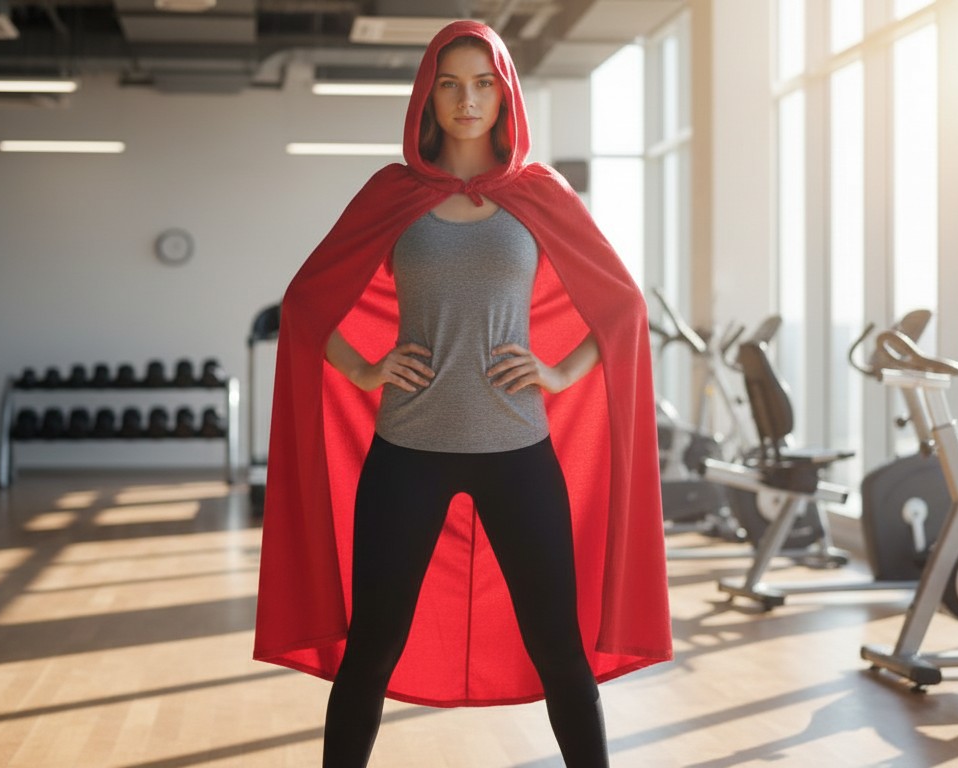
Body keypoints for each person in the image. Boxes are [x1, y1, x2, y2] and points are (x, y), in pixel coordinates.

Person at [253, 20, 672, 768]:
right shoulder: (393, 194)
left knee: (559, 652)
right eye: (449, 84)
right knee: (371, 651)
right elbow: (305, 305)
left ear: (505, 95)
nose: (466, 99)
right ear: (428, 95)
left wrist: (558, 373)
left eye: (482, 83)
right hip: (406, 453)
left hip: (519, 451)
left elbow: (622, 308)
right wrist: (365, 370)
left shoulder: (539, 193)